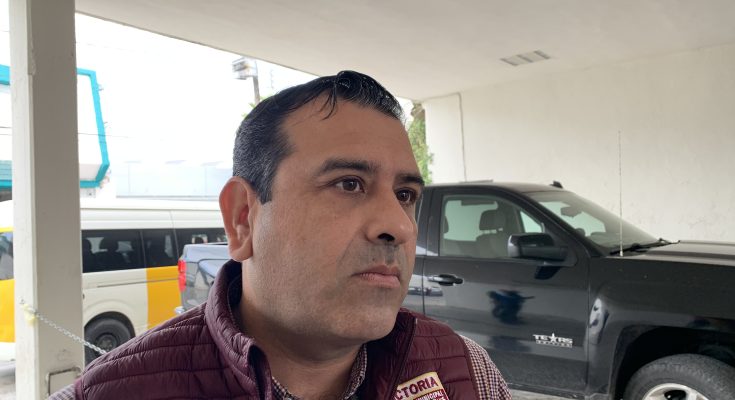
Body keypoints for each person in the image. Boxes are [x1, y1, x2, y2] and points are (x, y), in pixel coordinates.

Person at [52, 71, 510, 399]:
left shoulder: (466, 372)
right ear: (242, 219)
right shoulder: (109, 391)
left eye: (405, 194)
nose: (400, 226)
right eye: (349, 184)